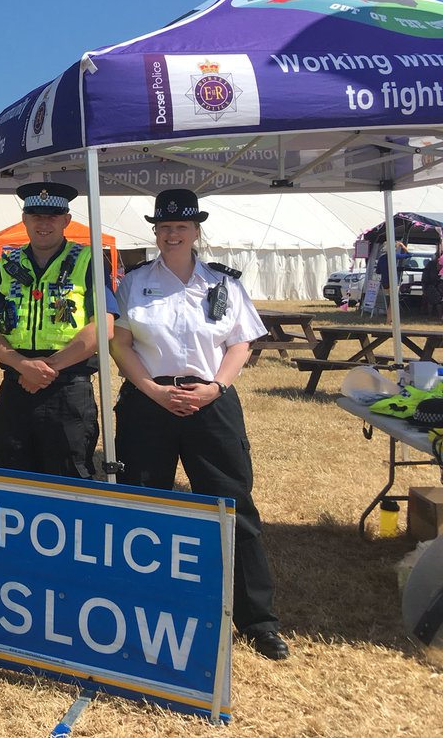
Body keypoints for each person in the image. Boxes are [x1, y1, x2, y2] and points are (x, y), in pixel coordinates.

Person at [109, 188, 289, 662]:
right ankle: (142, 604)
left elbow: (240, 343)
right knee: (143, 505)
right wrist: (152, 391)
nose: (172, 234)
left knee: (233, 506)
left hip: (210, 401)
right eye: (164, 226)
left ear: (195, 231)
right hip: (149, 402)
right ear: (155, 230)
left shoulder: (223, 282)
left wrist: (217, 388)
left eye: (181, 227)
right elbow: (120, 345)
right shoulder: (133, 282)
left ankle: (258, 619)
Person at [0, 182, 118, 477]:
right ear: (24, 219)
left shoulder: (89, 261)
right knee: (9, 474)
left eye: (52, 215)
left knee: (68, 476)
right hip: (16, 386)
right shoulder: (6, 264)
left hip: (68, 389)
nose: (44, 223)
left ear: (66, 220)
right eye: (36, 215)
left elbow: (103, 326)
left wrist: (46, 369)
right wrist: (22, 365)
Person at [374, 241, 410, 322]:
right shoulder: (395, 256)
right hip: (393, 280)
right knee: (393, 301)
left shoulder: (382, 258)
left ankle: (390, 318)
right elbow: (409, 255)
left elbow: (378, 271)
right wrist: (403, 246)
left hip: (385, 281)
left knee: (390, 300)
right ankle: (389, 319)